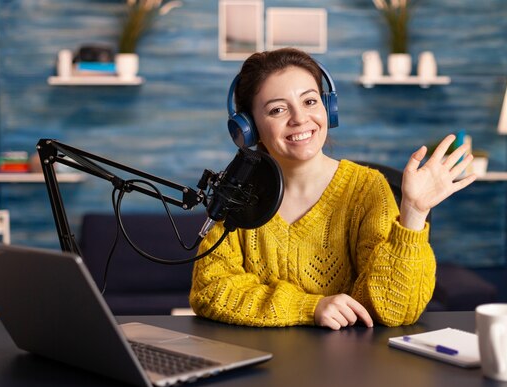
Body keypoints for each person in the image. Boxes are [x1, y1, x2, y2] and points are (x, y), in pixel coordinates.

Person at [190, 48, 476, 330]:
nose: (300, 119)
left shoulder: (367, 189)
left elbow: (393, 310)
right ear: (249, 127)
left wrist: (414, 214)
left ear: (329, 108)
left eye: (310, 101)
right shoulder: (237, 193)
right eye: (277, 109)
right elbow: (209, 291)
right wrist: (309, 307)